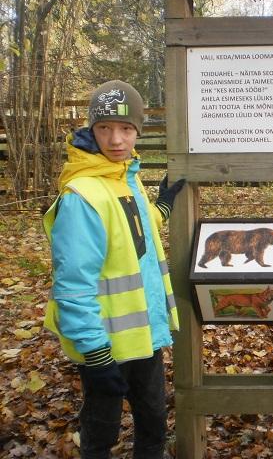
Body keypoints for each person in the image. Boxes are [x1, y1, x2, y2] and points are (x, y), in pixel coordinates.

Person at [43, 80, 185, 458]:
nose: (116, 139)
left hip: (143, 335)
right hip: (104, 343)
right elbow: (73, 284)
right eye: (104, 127)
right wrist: (95, 353)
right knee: (101, 430)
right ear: (92, 129)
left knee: (153, 422)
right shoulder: (83, 195)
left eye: (126, 128)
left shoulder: (124, 176)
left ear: (138, 131)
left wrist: (162, 208)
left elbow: (131, 231)